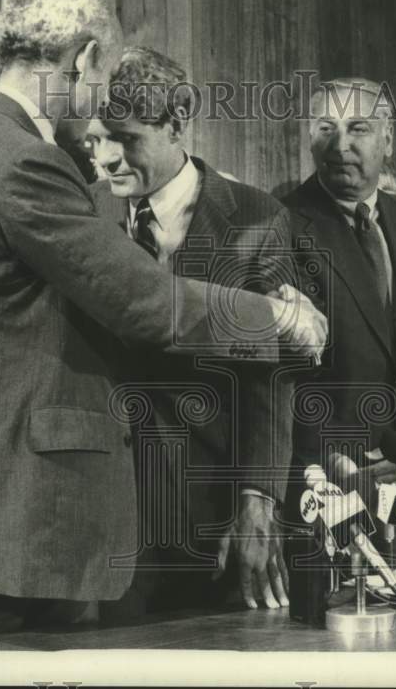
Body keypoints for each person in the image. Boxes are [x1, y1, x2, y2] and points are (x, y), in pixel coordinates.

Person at [0, 0, 324, 649]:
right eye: (100, 79)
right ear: (84, 58)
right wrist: (282, 320)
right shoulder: (27, 164)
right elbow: (145, 302)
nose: (101, 140)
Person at [87, 46, 296, 613]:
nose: (105, 159)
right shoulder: (83, 211)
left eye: (124, 139)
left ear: (177, 124)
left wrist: (258, 499)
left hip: (208, 513)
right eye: (96, 140)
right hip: (100, 514)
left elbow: (271, 376)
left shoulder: (257, 218)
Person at [281, 77, 396, 509]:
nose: (340, 145)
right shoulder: (280, 224)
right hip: (321, 480)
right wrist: (332, 456)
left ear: (388, 138)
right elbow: (280, 373)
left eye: (357, 128)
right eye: (326, 128)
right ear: (309, 138)